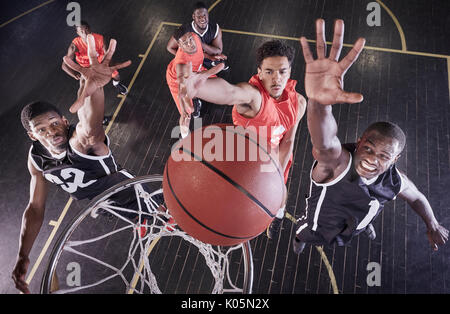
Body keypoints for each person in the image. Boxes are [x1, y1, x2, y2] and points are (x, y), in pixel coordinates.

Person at [292, 19, 448, 254]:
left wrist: (432, 224)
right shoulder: (336, 163)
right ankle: (300, 240)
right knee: (303, 232)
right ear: (359, 141)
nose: (372, 158)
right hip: (320, 224)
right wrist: (318, 104)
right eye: (369, 148)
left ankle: (363, 225)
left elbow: (417, 198)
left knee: (367, 212)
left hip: (355, 220)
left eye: (384, 155)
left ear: (394, 160)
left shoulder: (396, 180)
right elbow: (324, 141)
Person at [11, 35, 141, 294]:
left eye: (55, 122)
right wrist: (24, 255)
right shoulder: (36, 158)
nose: (53, 131)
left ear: (62, 118)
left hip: (133, 194)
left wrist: (96, 88)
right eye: (42, 129)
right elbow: (35, 209)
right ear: (32, 135)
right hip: (104, 206)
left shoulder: (79, 140)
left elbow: (90, 124)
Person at [176, 39, 307, 239]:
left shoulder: (299, 102)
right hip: (244, 162)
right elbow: (231, 92)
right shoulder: (254, 97)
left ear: (289, 71)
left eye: (282, 71)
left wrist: (276, 175)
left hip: (275, 161)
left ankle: (278, 216)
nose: (276, 79)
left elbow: (289, 140)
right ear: (260, 72)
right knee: (236, 206)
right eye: (269, 72)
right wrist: (199, 89)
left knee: (280, 198)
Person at [166, 26, 223, 135]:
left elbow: (200, 51)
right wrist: (183, 111)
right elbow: (181, 90)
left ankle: (195, 100)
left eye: (190, 40)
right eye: (185, 43)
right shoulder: (181, 64)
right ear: (180, 46)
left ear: (192, 36)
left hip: (196, 70)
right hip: (176, 80)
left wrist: (210, 58)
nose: (189, 44)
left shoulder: (195, 37)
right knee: (187, 115)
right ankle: (184, 136)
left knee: (217, 85)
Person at [61, 21, 129, 103]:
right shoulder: (75, 45)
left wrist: (109, 67)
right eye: (81, 31)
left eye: (86, 29)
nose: (85, 33)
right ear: (78, 33)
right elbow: (64, 65)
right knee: (91, 93)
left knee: (117, 76)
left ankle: (116, 84)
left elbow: (108, 55)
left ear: (89, 29)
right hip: (87, 69)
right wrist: (75, 74)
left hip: (100, 64)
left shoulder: (100, 39)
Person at [166, 1, 229, 71]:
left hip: (207, 55)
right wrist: (185, 57)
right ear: (193, 16)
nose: (202, 18)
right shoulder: (184, 31)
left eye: (204, 15)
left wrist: (200, 44)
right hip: (193, 58)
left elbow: (218, 51)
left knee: (220, 59)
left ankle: (214, 63)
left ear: (208, 14)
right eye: (199, 16)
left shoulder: (215, 28)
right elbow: (170, 47)